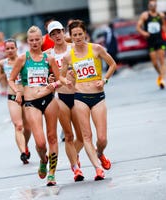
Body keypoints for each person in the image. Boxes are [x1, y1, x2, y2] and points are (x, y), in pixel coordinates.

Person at [60, 19, 116, 180]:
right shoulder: (68, 56)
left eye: (80, 34)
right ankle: (98, 169)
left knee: (102, 138)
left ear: (85, 34)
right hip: (80, 97)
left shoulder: (96, 49)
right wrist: (67, 81)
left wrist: (104, 80)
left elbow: (112, 64)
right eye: (74, 35)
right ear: (70, 37)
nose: (77, 37)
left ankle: (100, 153)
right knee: (86, 136)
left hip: (98, 96)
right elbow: (61, 77)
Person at [9, 25, 61, 186]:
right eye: (31, 40)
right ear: (28, 41)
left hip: (49, 99)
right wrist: (18, 91)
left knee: (52, 137)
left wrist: (54, 84)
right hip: (31, 102)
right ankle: (43, 160)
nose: (34, 42)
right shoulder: (23, 58)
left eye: (37, 39)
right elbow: (11, 79)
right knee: (40, 143)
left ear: (42, 40)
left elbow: (59, 79)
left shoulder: (49, 59)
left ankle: (51, 174)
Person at [45, 20, 84, 182]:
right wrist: (50, 78)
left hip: (78, 95)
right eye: (53, 34)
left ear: (63, 32)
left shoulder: (73, 48)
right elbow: (46, 77)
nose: (57, 36)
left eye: (59, 32)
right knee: (68, 136)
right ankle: (75, 168)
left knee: (82, 137)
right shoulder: (48, 55)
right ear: (50, 36)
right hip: (60, 97)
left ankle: (74, 157)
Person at [0, 39, 31, 164]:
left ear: (16, 48)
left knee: (28, 127)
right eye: (7, 49)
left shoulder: (24, 60)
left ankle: (25, 145)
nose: (9, 50)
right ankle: (23, 153)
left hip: (26, 96)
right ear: (4, 50)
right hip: (13, 96)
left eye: (12, 48)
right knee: (18, 126)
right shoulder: (2, 63)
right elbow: (1, 72)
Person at [136, 0, 166, 89]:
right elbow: (138, 27)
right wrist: (143, 33)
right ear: (148, 5)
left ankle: (163, 79)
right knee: (154, 63)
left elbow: (164, 27)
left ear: (156, 5)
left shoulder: (161, 15)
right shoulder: (145, 15)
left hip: (160, 40)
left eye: (154, 4)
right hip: (151, 41)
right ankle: (161, 75)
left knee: (162, 60)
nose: (152, 6)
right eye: (151, 4)